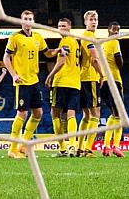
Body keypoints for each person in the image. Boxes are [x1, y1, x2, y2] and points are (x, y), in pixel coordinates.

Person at [3, 8, 47, 158]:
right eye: (25, 19)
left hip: (34, 80)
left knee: (38, 113)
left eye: (30, 19)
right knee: (22, 113)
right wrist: (14, 75)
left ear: (33, 21)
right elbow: (6, 58)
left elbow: (47, 53)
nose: (28, 22)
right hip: (22, 81)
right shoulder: (15, 37)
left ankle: (24, 146)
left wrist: (58, 50)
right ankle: (12, 149)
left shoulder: (38, 37)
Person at [46, 15, 85, 158]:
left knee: (55, 113)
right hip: (75, 83)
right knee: (71, 114)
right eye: (60, 26)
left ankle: (63, 148)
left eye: (64, 26)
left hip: (62, 81)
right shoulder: (76, 41)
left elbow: (62, 61)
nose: (61, 28)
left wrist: (50, 76)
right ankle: (73, 147)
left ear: (70, 27)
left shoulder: (66, 41)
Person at [77, 9, 103, 155]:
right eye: (91, 19)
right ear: (85, 22)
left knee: (87, 115)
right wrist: (102, 75)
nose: (94, 22)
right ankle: (88, 148)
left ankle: (81, 147)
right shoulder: (88, 36)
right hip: (90, 78)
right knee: (95, 115)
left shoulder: (87, 36)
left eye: (96, 19)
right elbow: (94, 59)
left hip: (83, 78)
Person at [99, 21, 125, 156]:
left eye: (118, 30)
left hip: (104, 82)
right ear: (109, 30)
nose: (116, 32)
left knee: (114, 114)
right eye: (115, 29)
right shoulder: (114, 42)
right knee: (120, 115)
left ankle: (105, 146)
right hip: (114, 81)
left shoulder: (102, 44)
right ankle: (115, 146)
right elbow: (119, 63)